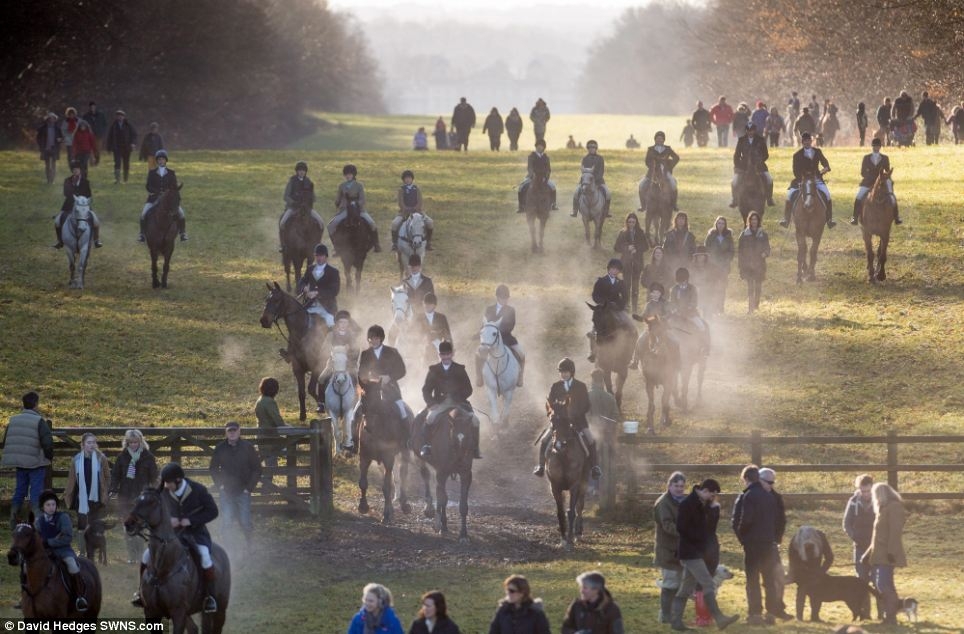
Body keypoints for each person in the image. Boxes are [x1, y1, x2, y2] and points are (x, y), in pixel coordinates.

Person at [132, 463, 219, 612]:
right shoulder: (163, 491)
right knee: (146, 556)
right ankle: (141, 592)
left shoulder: (199, 490)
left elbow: (213, 511)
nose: (165, 485)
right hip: (170, 536)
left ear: (178, 480)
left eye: (168, 482)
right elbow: (155, 513)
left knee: (205, 557)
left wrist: (191, 520)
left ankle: (208, 596)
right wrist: (169, 520)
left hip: (195, 534)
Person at [673, 478, 739, 631]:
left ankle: (676, 622)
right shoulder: (687, 504)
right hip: (690, 552)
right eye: (712, 494)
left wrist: (713, 510)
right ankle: (720, 618)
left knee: (685, 588)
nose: (713, 497)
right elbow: (681, 528)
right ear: (705, 490)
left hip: (696, 552)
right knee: (708, 583)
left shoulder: (703, 504)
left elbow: (709, 528)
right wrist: (699, 538)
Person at [731, 465, 782, 626]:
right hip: (769, 543)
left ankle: (755, 614)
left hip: (753, 544)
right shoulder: (770, 496)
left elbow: (745, 520)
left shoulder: (748, 496)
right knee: (769, 580)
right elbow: (777, 520)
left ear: (745, 478)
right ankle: (771, 613)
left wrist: (742, 537)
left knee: (752, 580)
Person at [534, 358, 602, 479]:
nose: (563, 374)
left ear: (571, 372)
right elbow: (550, 404)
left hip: (578, 421)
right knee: (544, 440)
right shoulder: (555, 386)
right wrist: (552, 415)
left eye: (566, 372)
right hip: (559, 422)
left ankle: (594, 467)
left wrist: (573, 415)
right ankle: (540, 466)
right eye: (561, 372)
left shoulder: (581, 386)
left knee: (591, 440)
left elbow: (586, 405)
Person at [414, 340, 481, 460]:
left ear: (452, 354)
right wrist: (431, 403)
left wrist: (459, 396)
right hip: (440, 403)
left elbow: (469, 389)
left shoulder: (460, 369)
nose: (445, 357)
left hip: (458, 402)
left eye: (447, 354)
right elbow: (426, 390)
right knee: (430, 418)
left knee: (475, 420)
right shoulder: (433, 370)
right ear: (439, 355)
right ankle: (426, 446)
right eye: (442, 354)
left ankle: (475, 448)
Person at [2, 392, 53, 526]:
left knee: (20, 491)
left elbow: (7, 439)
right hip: (35, 463)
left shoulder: (13, 420)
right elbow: (47, 442)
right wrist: (49, 457)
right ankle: (37, 522)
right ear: (36, 404)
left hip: (20, 463)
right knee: (36, 493)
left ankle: (13, 519)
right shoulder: (39, 421)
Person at [354, 324, 411, 445]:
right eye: (371, 338)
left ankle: (407, 440)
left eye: (376, 338)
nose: (373, 341)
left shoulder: (392, 352)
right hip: (370, 391)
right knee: (355, 413)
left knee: (402, 410)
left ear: (381, 338)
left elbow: (402, 370)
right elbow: (361, 373)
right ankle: (352, 444)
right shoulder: (365, 354)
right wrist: (368, 380)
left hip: (390, 389)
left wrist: (389, 377)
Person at [209, 421, 261, 549]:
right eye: (229, 431)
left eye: (234, 431)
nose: (232, 433)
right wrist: (220, 484)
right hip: (226, 491)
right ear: (226, 433)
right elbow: (213, 468)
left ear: (239, 431)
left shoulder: (248, 447)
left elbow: (257, 468)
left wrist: (249, 488)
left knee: (245, 522)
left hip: (243, 491)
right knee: (226, 521)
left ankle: (250, 546)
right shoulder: (220, 448)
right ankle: (227, 548)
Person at [110, 429, 159, 564]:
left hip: (142, 498)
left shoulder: (148, 457)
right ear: (127, 443)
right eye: (130, 442)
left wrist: (156, 491)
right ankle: (132, 557)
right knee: (128, 527)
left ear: (140, 441)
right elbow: (115, 475)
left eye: (136, 442)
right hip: (125, 497)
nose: (133, 445)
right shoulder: (122, 457)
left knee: (141, 527)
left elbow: (154, 477)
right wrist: (113, 489)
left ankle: (140, 557)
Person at [35, 490, 89, 611]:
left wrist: (48, 542)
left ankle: (80, 597)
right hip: (44, 553)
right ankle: (28, 596)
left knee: (72, 565)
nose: (51, 507)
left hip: (63, 551)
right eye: (48, 505)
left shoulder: (63, 517)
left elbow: (67, 538)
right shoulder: (38, 521)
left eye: (53, 504)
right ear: (43, 507)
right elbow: (36, 538)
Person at [861, 483, 906, 625]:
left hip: (887, 555)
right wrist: (867, 554)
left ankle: (891, 615)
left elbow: (895, 532)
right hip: (880, 554)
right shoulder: (883, 509)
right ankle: (892, 612)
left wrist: (891, 552)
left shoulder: (894, 508)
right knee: (885, 584)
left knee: (883, 584)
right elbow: (877, 536)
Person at [64, 432, 109, 559]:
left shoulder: (101, 458)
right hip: (81, 498)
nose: (92, 445)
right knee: (82, 525)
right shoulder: (76, 460)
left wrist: (105, 491)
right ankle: (82, 551)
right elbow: (72, 479)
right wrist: (69, 495)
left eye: (94, 442)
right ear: (83, 445)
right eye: (89, 442)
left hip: (96, 498)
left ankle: (94, 551)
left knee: (95, 524)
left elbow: (107, 476)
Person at [780, 132, 835, 229]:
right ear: (802, 142)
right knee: (789, 196)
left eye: (809, 140)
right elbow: (795, 170)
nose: (807, 142)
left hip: (816, 179)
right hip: (801, 180)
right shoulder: (797, 155)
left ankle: (829, 220)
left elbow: (824, 162)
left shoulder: (817, 152)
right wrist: (802, 179)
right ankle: (786, 220)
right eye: (805, 141)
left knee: (827, 195)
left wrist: (826, 167)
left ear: (811, 141)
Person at [758, 468, 792, 621]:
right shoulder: (752, 496)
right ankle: (758, 612)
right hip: (756, 545)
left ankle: (777, 608)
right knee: (762, 580)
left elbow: (782, 520)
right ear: (759, 480)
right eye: (768, 482)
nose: (771, 485)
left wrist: (777, 539)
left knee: (778, 578)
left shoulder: (776, 497)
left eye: (773, 482)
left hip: (771, 544)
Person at [477, 285, 525, 388]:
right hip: (490, 339)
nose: (505, 300)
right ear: (498, 297)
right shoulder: (489, 309)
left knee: (521, 353)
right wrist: (479, 333)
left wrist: (498, 334)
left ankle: (520, 377)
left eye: (506, 298)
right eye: (503, 297)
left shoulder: (511, 310)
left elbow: (511, 325)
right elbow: (485, 325)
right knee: (478, 354)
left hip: (506, 337)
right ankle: (479, 377)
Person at [654, 472, 686, 623]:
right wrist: (686, 531)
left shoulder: (684, 501)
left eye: (682, 486)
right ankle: (665, 616)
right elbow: (667, 525)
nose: (679, 489)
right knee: (670, 585)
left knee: (680, 585)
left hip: (681, 550)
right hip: (667, 550)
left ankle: (674, 615)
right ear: (669, 486)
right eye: (676, 486)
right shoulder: (663, 503)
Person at [587, 258, 634, 362]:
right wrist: (604, 303)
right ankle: (593, 353)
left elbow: (625, 297)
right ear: (608, 269)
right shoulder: (600, 281)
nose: (614, 271)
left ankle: (630, 353)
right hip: (603, 309)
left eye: (617, 270)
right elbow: (595, 296)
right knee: (594, 329)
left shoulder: (621, 283)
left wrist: (619, 305)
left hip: (617, 309)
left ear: (619, 271)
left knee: (630, 326)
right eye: (613, 269)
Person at [327, 164, 382, 252]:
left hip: (358, 209)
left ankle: (376, 244)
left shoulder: (359, 185)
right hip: (345, 209)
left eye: (350, 174)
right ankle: (336, 247)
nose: (348, 176)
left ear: (353, 175)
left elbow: (362, 199)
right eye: (346, 174)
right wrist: (337, 203)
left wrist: (355, 204)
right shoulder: (341, 186)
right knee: (330, 226)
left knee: (372, 223)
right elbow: (338, 199)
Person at [851, 137, 902, 225]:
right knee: (859, 196)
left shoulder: (885, 158)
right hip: (868, 182)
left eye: (878, 146)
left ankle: (896, 217)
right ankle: (854, 217)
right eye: (874, 146)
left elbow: (887, 170)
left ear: (880, 147)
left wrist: (885, 176)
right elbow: (863, 172)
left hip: (882, 182)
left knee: (892, 197)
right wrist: (871, 178)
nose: (876, 148)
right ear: (872, 147)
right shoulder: (866, 158)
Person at [139, 149, 187, 242]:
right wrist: (157, 192)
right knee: (143, 214)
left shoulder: (171, 172)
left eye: (163, 159)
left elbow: (174, 186)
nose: (161, 161)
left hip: (168, 200)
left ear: (166, 160)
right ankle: (142, 234)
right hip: (154, 198)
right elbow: (148, 186)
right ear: (157, 161)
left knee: (181, 214)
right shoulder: (152, 173)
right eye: (159, 159)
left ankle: (183, 233)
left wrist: (167, 193)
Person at [53, 161, 102, 249]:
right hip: (68, 205)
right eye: (74, 170)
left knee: (96, 220)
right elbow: (65, 193)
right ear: (72, 171)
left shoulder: (85, 181)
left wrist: (81, 200)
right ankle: (59, 241)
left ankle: (96, 240)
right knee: (57, 221)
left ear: (80, 171)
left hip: (83, 205)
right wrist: (74, 198)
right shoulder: (67, 180)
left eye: (77, 170)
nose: (76, 171)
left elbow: (88, 194)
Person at [279, 161, 326, 251]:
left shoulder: (309, 182)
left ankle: (318, 243)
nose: (301, 172)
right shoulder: (292, 181)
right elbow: (285, 196)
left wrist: (309, 200)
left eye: (303, 170)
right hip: (293, 208)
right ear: (297, 171)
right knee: (282, 223)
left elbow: (314, 197)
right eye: (300, 170)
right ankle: (283, 244)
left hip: (307, 208)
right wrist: (293, 202)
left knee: (321, 223)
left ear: (305, 172)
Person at [729, 122, 774, 208]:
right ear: (746, 131)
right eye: (748, 130)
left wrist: (760, 161)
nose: (750, 132)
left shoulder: (761, 140)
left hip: (759, 165)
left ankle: (769, 198)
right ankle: (734, 199)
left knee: (769, 179)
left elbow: (766, 154)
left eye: (752, 130)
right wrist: (737, 166)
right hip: (743, 166)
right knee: (734, 181)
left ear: (754, 130)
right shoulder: (741, 140)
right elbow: (736, 155)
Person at [613, 212, 650, 313]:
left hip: (637, 264)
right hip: (626, 265)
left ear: (636, 222)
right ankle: (626, 305)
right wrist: (627, 248)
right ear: (627, 222)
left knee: (635, 287)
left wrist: (636, 249)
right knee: (626, 286)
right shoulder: (622, 233)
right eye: (629, 222)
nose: (631, 224)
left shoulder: (641, 232)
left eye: (633, 222)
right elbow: (616, 247)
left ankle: (634, 308)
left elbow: (646, 247)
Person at [297, 243, 340, 329]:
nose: (319, 258)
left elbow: (335, 291)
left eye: (321, 256)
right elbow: (302, 281)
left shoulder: (333, 272)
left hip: (326, 307)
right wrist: (304, 288)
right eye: (317, 256)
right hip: (310, 305)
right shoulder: (310, 269)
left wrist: (317, 293)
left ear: (326, 256)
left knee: (330, 322)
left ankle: (331, 340)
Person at [843, 474, 875, 582]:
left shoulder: (879, 501)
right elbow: (846, 523)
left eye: (868, 491)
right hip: (859, 545)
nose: (865, 494)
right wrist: (854, 536)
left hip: (876, 545)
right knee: (861, 578)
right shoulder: (853, 502)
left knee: (877, 578)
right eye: (863, 491)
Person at [638, 131, 680, 213]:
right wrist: (653, 166)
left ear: (664, 140)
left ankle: (674, 205)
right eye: (658, 139)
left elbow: (676, 158)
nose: (659, 140)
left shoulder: (668, 149)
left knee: (673, 183)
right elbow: (647, 161)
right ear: (655, 140)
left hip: (665, 171)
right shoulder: (650, 149)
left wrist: (669, 165)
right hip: (652, 172)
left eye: (661, 139)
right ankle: (643, 206)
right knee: (641, 185)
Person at [392, 170, 434, 251]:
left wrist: (415, 209)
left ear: (412, 179)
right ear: (403, 180)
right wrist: (406, 209)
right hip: (404, 212)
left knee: (430, 222)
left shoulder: (417, 188)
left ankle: (428, 243)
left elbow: (420, 201)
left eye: (409, 178)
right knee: (394, 224)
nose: (408, 180)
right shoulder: (401, 190)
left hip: (417, 211)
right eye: (406, 178)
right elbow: (400, 202)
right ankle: (395, 243)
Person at [738, 212, 769, 314]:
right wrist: (741, 266)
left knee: (758, 286)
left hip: (760, 265)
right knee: (750, 287)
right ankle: (750, 308)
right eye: (752, 219)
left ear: (758, 221)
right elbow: (740, 251)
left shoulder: (763, 234)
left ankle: (756, 305)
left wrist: (765, 253)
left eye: (755, 219)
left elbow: (767, 248)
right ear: (749, 221)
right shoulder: (744, 234)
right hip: (748, 265)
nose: (754, 221)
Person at [572, 139, 612, 218]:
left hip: (599, 181)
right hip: (586, 181)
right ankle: (575, 211)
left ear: (596, 148)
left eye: (593, 147)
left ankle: (606, 211)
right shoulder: (585, 158)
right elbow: (583, 171)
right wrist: (585, 180)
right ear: (588, 148)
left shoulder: (600, 158)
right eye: (590, 147)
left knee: (608, 193)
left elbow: (601, 171)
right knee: (576, 192)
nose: (592, 149)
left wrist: (595, 180)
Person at [516, 138, 557, 213]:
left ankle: (553, 204)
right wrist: (532, 175)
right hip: (532, 177)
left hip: (544, 178)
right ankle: (521, 206)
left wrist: (546, 177)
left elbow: (548, 169)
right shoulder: (531, 156)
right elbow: (530, 167)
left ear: (544, 147)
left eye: (541, 146)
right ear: (536, 147)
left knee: (553, 187)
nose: (539, 147)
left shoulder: (546, 157)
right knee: (521, 187)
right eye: (538, 146)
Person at [704, 217, 734, 315]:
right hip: (712, 267)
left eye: (722, 223)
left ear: (725, 225)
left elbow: (732, 251)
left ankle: (720, 308)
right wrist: (712, 260)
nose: (720, 225)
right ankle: (713, 307)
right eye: (719, 223)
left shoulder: (728, 236)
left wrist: (726, 259)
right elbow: (706, 249)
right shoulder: (711, 235)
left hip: (724, 267)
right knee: (712, 287)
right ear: (716, 224)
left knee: (722, 288)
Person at [414, 293, 452, 367]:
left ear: (434, 305)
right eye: (425, 304)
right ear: (423, 304)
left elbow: (448, 335)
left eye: (429, 304)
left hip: (439, 346)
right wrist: (424, 337)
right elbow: (414, 333)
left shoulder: (442, 317)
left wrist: (450, 349)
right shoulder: (418, 318)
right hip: (423, 346)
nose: (427, 306)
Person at [105, 109, 137, 184]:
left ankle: (125, 179)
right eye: (118, 116)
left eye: (121, 116)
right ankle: (117, 179)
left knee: (126, 163)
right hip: (117, 148)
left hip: (126, 147)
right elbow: (110, 137)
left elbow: (134, 135)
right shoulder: (114, 125)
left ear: (124, 117)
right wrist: (109, 148)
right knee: (117, 163)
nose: (119, 117)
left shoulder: (128, 125)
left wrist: (133, 143)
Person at [36, 112, 64, 184]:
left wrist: (60, 139)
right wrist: (41, 146)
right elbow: (38, 138)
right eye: (50, 118)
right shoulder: (42, 128)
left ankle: (52, 180)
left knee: (53, 165)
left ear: (55, 119)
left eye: (53, 118)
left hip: (54, 149)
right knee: (47, 165)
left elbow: (61, 138)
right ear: (47, 119)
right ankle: (48, 180)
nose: (52, 119)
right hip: (45, 149)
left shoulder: (58, 129)